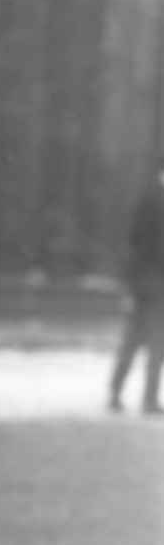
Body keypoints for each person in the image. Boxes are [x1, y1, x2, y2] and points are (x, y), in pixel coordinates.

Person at [106, 164, 164, 415]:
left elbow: (134, 244)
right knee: (154, 342)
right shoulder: (153, 202)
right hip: (154, 283)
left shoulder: (148, 199)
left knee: (133, 341)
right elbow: (141, 245)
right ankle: (147, 398)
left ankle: (116, 392)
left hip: (145, 282)